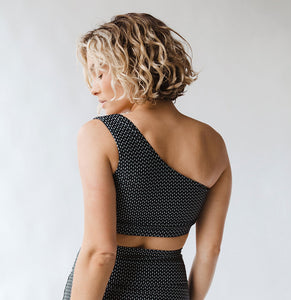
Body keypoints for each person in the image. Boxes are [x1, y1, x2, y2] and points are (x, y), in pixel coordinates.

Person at [62, 12, 232, 300]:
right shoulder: (214, 143)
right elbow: (209, 250)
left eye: (100, 73)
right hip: (171, 290)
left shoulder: (100, 134)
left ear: (129, 66)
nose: (93, 87)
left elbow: (100, 253)